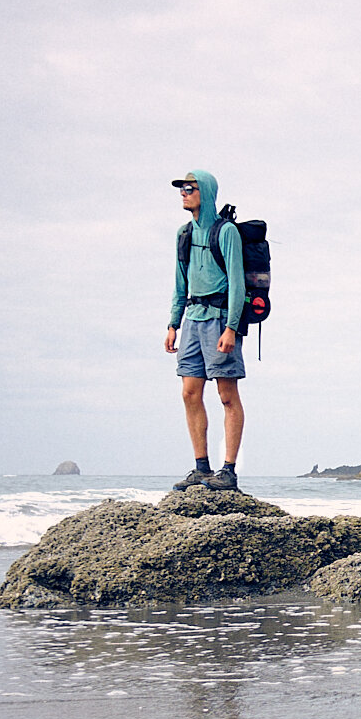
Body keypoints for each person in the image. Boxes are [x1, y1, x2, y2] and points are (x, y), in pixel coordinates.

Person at [164, 169, 246, 491]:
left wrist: (231, 328)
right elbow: (179, 283)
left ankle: (228, 471)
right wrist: (173, 323)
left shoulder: (225, 232)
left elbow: (237, 284)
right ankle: (201, 467)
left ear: (206, 192)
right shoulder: (183, 234)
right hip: (192, 321)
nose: (183, 193)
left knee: (227, 395)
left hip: (219, 319)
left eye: (189, 188)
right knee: (189, 392)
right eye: (181, 189)